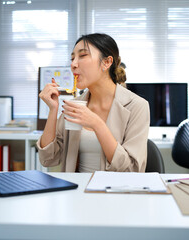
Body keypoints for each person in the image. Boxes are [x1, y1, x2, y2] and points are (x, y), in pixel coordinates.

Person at [36, 33, 150, 172]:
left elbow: (132, 170)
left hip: (115, 191)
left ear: (106, 62)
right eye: (72, 58)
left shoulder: (137, 106)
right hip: (76, 190)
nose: (73, 64)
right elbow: (48, 159)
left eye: (82, 56)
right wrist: (53, 110)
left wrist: (97, 124)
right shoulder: (75, 105)